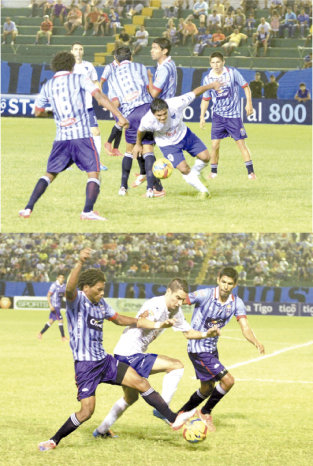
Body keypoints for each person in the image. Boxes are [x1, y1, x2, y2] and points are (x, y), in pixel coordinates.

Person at [37, 248, 197, 451]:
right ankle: (54, 440)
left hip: (105, 361)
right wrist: (79, 262)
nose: (102, 293)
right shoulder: (76, 300)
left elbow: (119, 319)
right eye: (99, 289)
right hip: (85, 366)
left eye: (104, 289)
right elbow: (69, 289)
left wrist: (143, 322)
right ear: (86, 287)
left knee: (140, 382)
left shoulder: (101, 303)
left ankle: (173, 419)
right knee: (86, 412)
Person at [93, 278, 220, 437]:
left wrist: (206, 334)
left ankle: (101, 430)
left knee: (130, 397)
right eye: (177, 298)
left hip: (128, 354)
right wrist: (161, 324)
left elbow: (188, 333)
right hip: (129, 353)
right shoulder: (156, 304)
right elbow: (141, 322)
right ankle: (163, 410)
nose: (180, 303)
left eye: (182, 299)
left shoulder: (175, 311)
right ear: (168, 292)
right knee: (176, 365)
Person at [18, 52, 128, 221]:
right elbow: (99, 97)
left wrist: (53, 115)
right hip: (82, 136)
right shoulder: (79, 78)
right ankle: (87, 211)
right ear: (71, 65)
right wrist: (119, 116)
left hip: (61, 138)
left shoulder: (48, 85)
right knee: (93, 173)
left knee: (49, 174)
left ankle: (27, 208)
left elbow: (38, 111)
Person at [172, 267, 265, 432]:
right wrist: (178, 321)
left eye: (230, 283)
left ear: (234, 285)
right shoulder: (205, 295)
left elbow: (245, 327)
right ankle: (205, 412)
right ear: (218, 280)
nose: (225, 286)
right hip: (198, 348)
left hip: (211, 349)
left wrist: (255, 341)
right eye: (223, 282)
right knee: (228, 381)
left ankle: (180, 414)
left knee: (207, 388)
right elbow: (179, 300)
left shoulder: (237, 303)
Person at [133, 80, 223, 199]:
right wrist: (138, 144)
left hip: (185, 135)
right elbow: (140, 131)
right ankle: (203, 191)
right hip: (167, 144)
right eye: (159, 116)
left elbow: (195, 92)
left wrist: (212, 85)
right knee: (184, 169)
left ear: (167, 109)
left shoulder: (176, 103)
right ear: (153, 114)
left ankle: (196, 173)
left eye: (165, 114)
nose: (163, 117)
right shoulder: (147, 120)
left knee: (206, 157)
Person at [104, 46, 164, 198]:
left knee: (129, 151)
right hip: (146, 109)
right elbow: (150, 90)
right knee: (148, 149)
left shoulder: (113, 76)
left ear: (116, 60)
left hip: (130, 114)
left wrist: (118, 119)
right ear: (131, 57)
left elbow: (115, 101)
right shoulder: (140, 67)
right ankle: (151, 189)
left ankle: (123, 187)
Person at [200, 52, 256, 180]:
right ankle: (213, 172)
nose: (216, 65)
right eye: (213, 63)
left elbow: (245, 87)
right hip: (218, 117)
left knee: (241, 144)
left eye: (218, 62)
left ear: (223, 62)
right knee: (214, 145)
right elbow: (206, 98)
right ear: (210, 64)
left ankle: (251, 172)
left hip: (233, 116)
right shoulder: (207, 78)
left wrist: (249, 103)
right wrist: (202, 116)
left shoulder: (232, 73)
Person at [132, 37, 178, 189]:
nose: (151, 50)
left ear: (164, 51)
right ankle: (145, 173)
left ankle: (155, 186)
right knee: (145, 143)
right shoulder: (168, 64)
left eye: (155, 48)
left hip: (161, 111)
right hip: (167, 109)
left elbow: (154, 93)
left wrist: (149, 80)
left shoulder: (164, 68)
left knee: (145, 145)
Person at [71, 42, 107, 171]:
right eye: (75, 49)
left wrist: (101, 98)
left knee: (95, 131)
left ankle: (96, 161)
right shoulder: (67, 66)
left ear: (83, 51)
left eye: (80, 49)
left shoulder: (88, 66)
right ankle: (71, 162)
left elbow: (95, 82)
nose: (78, 51)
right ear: (71, 51)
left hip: (87, 106)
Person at [37, 273, 67, 341]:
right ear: (57, 278)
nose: (61, 279)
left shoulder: (64, 286)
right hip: (54, 306)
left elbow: (64, 295)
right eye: (60, 278)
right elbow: (48, 295)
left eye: (62, 278)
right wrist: (50, 305)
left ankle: (40, 333)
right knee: (60, 320)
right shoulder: (54, 285)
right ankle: (63, 337)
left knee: (51, 321)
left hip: (58, 306)